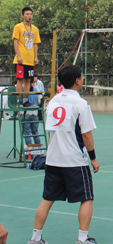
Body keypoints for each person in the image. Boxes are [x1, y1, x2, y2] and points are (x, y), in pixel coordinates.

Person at [28, 65, 100, 244]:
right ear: (77, 80)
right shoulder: (81, 104)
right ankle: (82, 239)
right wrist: (93, 158)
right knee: (87, 198)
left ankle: (35, 239)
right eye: (82, 76)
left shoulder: (52, 102)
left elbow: (51, 132)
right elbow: (86, 134)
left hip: (53, 160)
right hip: (74, 161)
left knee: (47, 199)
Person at [13, 7, 41, 107]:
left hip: (30, 59)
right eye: (27, 14)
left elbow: (35, 44)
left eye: (31, 14)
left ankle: (25, 100)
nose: (29, 16)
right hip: (21, 59)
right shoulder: (18, 27)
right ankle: (18, 101)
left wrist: (35, 57)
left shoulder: (35, 29)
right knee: (20, 80)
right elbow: (15, 42)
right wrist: (18, 56)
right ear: (23, 15)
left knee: (28, 80)